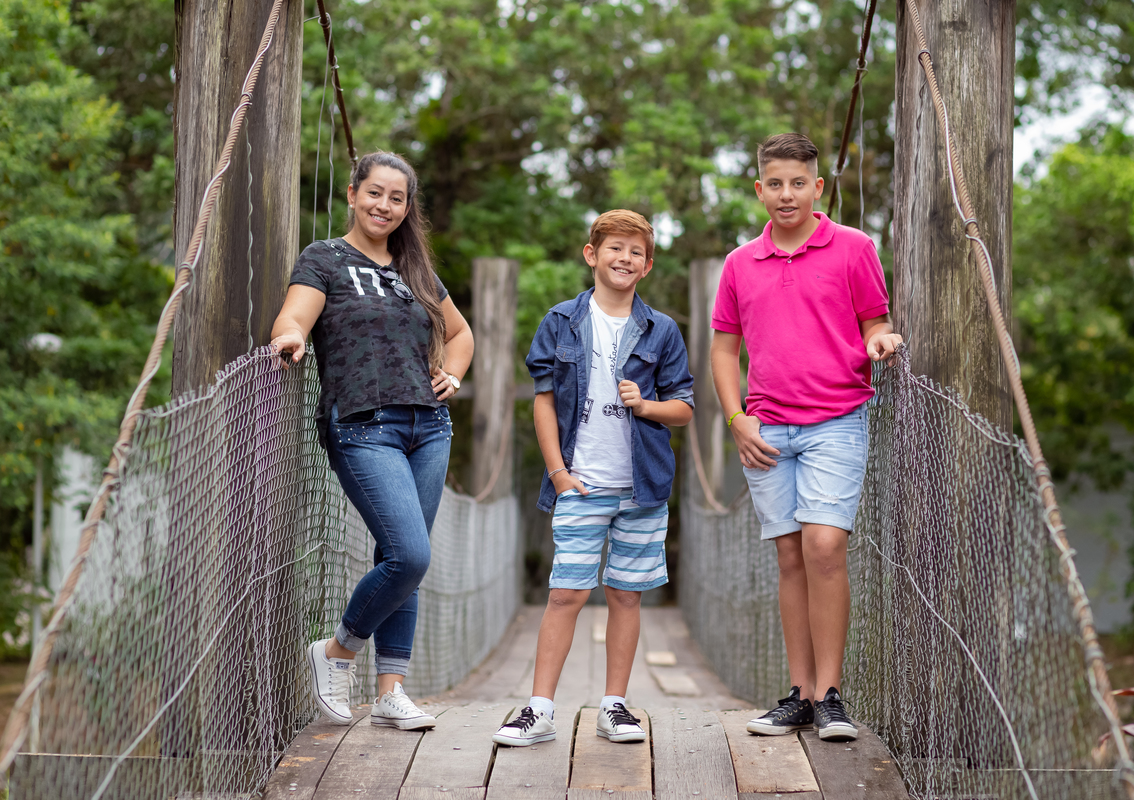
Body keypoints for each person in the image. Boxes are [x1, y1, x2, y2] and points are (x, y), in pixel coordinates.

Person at [270, 151, 474, 730]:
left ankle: (391, 691)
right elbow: (293, 317)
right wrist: (290, 338)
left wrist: (453, 374)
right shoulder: (326, 258)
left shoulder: (416, 271)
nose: (385, 205)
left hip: (429, 427)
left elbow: (460, 334)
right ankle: (337, 651)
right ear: (353, 194)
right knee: (411, 555)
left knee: (402, 561)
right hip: (363, 425)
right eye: (375, 193)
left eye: (397, 198)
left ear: (407, 207)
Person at [710, 133, 902, 742]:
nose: (787, 194)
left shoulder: (854, 248)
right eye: (775, 184)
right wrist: (736, 418)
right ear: (759, 189)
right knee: (790, 555)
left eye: (799, 183)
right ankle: (800, 694)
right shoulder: (740, 263)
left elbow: (875, 321)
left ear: (818, 187)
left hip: (836, 419)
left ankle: (830, 695)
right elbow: (723, 350)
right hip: (765, 428)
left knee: (824, 546)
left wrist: (879, 340)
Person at [492, 210, 694, 747]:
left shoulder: (662, 330)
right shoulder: (560, 321)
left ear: (647, 266)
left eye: (635, 252)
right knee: (566, 594)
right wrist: (558, 474)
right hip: (581, 484)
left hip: (642, 488)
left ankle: (614, 706)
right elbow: (542, 401)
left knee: (626, 595)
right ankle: (539, 710)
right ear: (591, 254)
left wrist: (646, 405)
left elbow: (683, 409)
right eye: (614, 248)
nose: (624, 258)